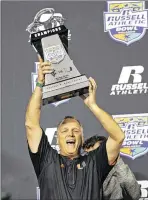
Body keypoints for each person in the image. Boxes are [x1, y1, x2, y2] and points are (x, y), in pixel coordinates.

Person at [25, 56, 125, 200]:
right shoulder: (46, 159)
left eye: (76, 131)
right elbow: (31, 124)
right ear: (57, 138)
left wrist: (92, 105)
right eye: (64, 131)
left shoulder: (95, 162)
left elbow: (118, 136)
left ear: (82, 138)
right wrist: (40, 84)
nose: (70, 134)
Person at [83, 135, 141, 200]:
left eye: (97, 152)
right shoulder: (81, 174)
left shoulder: (118, 172)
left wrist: (118, 162)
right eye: (88, 154)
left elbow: (135, 194)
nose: (92, 158)